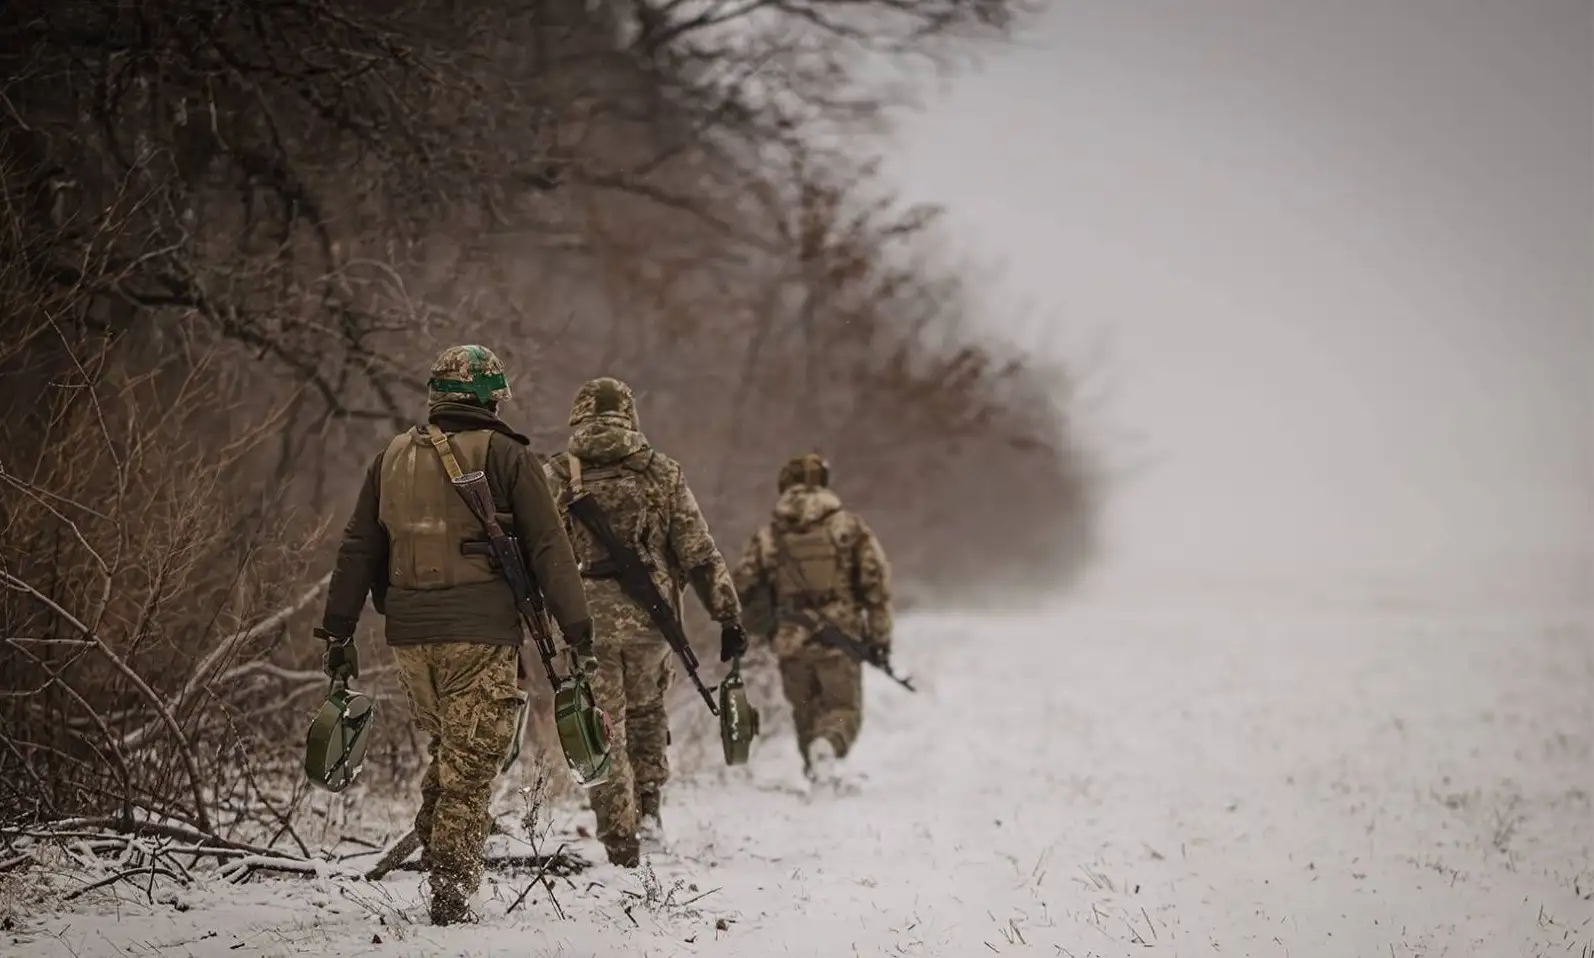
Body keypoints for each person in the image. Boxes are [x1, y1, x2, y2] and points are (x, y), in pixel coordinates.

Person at [317, 344, 593, 925]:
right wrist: (578, 630)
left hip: (410, 636)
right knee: (473, 762)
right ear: (490, 397)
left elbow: (358, 550)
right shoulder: (509, 456)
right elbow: (550, 548)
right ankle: (451, 892)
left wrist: (338, 631)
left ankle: (435, 837)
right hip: (480, 632)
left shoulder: (390, 456)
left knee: (454, 751)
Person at [544, 377, 747, 867]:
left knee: (601, 722)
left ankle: (619, 836)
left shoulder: (553, 474)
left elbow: (536, 554)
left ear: (580, 415)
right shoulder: (660, 471)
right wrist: (728, 614)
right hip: (649, 617)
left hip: (582, 620)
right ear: (630, 416)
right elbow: (696, 552)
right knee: (647, 713)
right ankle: (650, 815)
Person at [732, 453, 893, 786]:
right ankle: (827, 750)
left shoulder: (770, 535)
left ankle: (815, 764)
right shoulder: (848, 528)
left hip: (790, 635)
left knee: (805, 709)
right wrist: (879, 639)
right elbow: (876, 586)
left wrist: (756, 625)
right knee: (843, 709)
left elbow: (743, 583)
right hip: (841, 635)